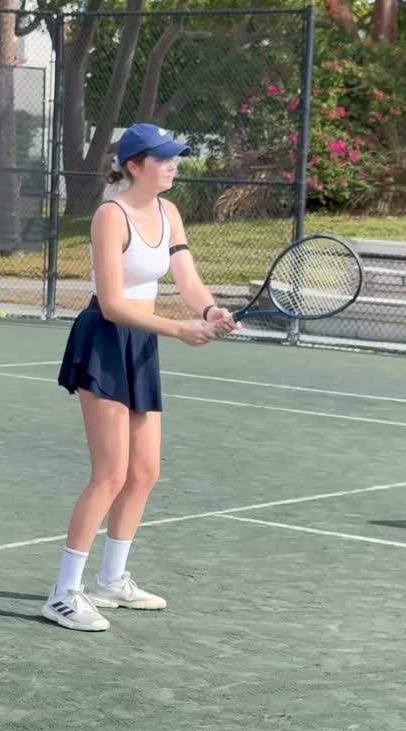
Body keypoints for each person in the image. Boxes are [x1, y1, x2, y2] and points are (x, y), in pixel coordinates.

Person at [43, 123, 240, 632]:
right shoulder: (110, 215)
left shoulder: (168, 212)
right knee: (109, 473)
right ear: (134, 165)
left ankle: (111, 580)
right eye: (163, 158)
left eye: (176, 156)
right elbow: (111, 303)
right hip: (106, 339)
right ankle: (63, 592)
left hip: (143, 341)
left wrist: (212, 310)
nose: (174, 164)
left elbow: (187, 279)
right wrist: (180, 327)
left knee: (145, 470)